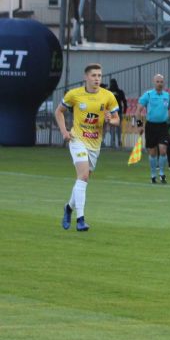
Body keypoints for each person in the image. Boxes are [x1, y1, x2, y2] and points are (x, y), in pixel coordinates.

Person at [54, 63, 120, 232]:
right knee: (83, 176)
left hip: (95, 144)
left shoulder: (108, 96)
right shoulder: (74, 94)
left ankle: (68, 207)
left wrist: (110, 120)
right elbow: (58, 111)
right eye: (93, 75)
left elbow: (117, 119)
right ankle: (80, 220)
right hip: (77, 139)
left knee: (83, 179)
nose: (97, 79)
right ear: (86, 77)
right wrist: (64, 132)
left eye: (99, 75)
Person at [137, 73, 170, 183]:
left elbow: (169, 109)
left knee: (163, 150)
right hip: (151, 126)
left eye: (161, 82)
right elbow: (138, 110)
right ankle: (153, 175)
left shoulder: (167, 96)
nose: (159, 84)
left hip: (163, 126)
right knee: (152, 153)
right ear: (154, 82)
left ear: (164, 83)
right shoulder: (148, 95)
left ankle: (162, 173)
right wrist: (139, 125)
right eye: (157, 82)